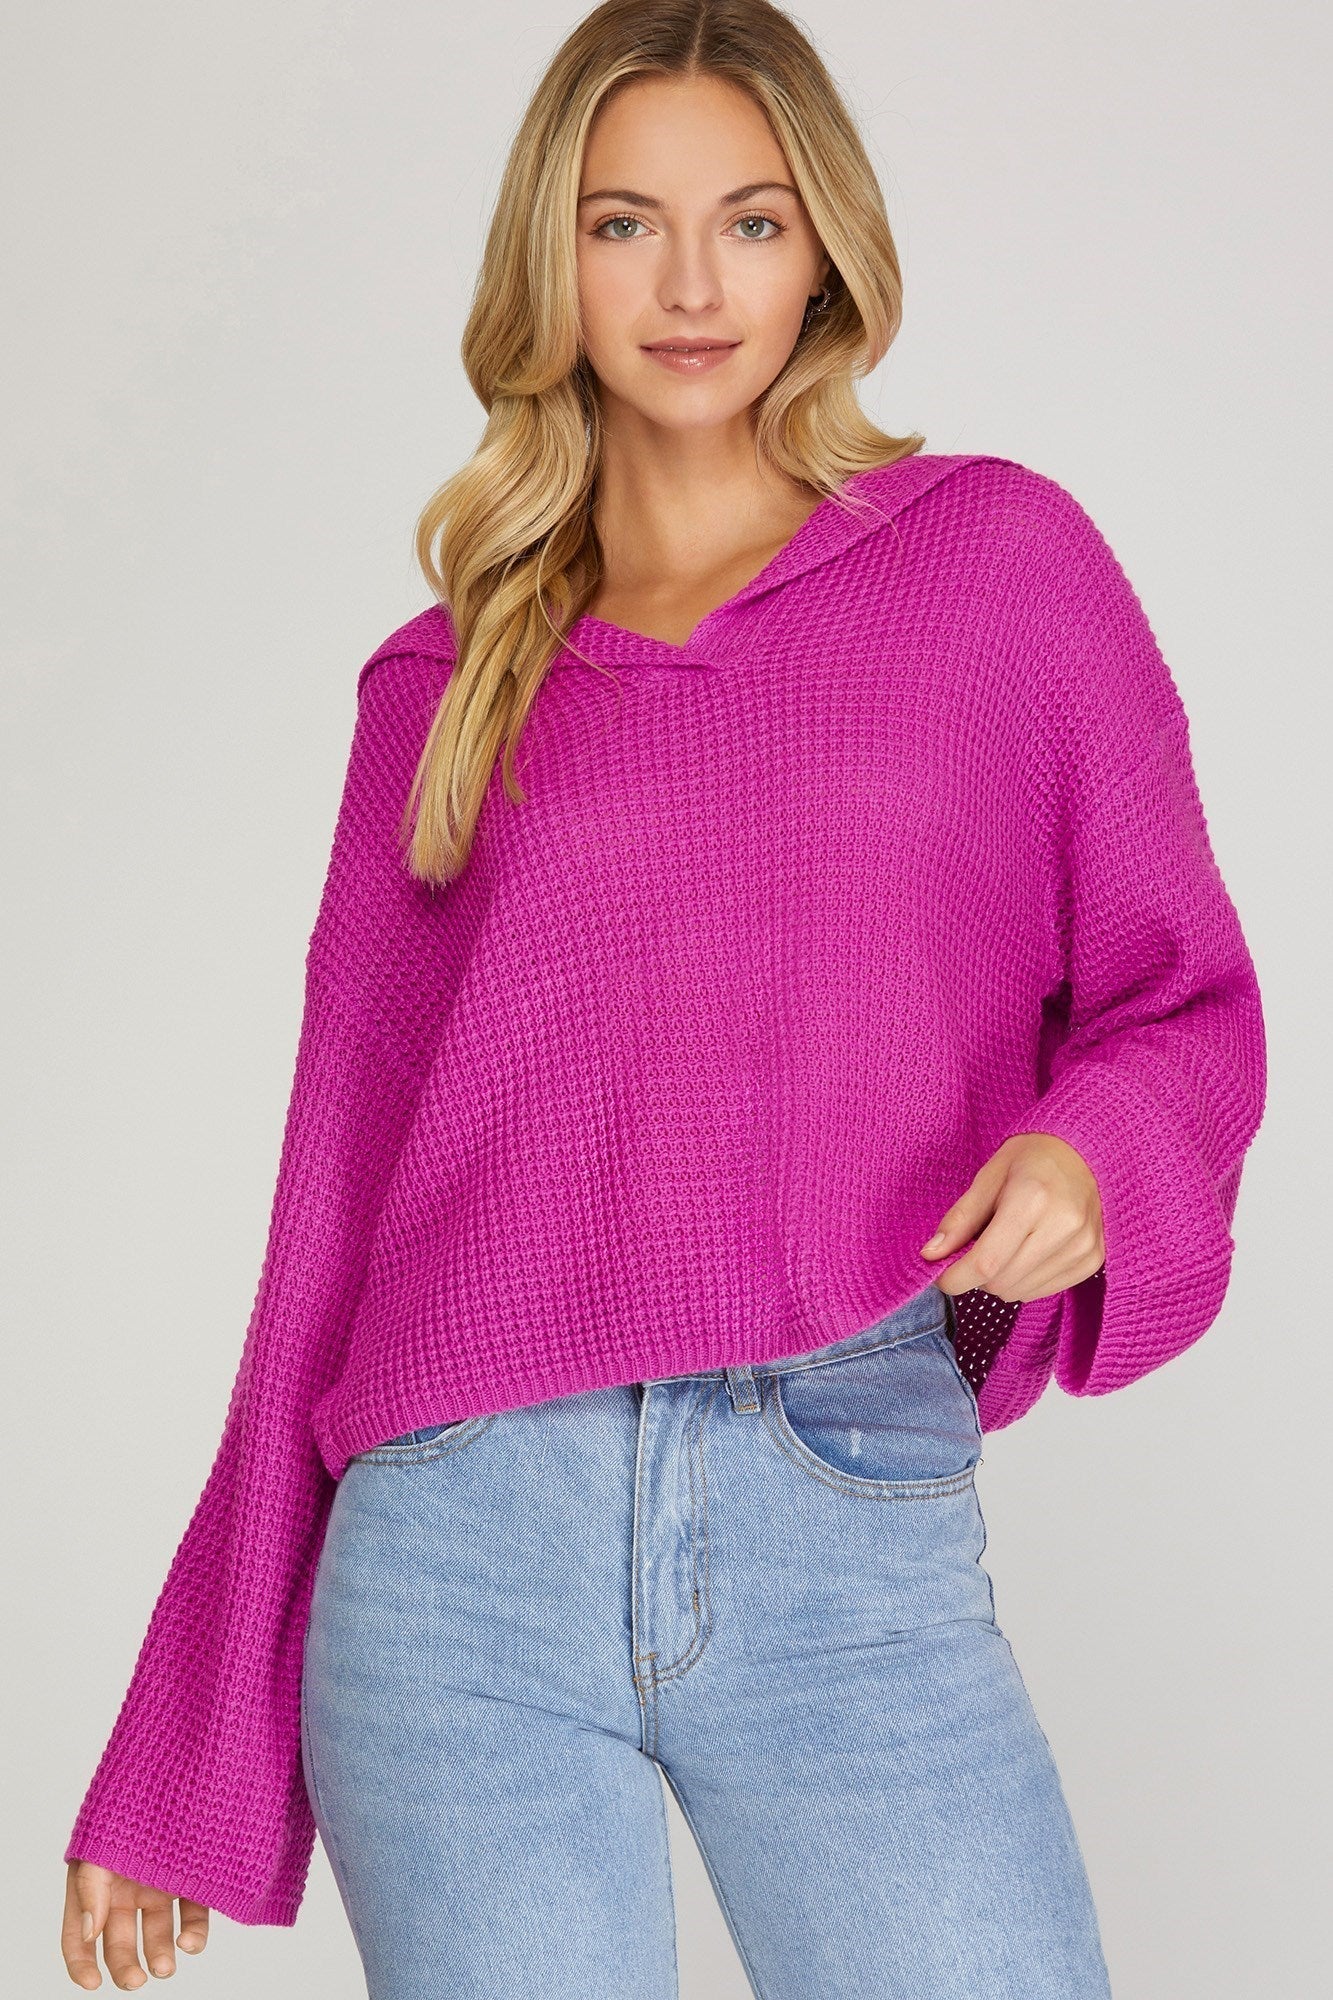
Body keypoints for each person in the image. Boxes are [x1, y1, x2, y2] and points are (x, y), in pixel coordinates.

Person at [60, 1, 1267, 1994]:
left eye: (749, 221)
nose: (692, 286)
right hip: (460, 1564)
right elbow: (329, 1236)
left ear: (824, 249)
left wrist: (1092, 1154)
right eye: (624, 224)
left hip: (844, 1510)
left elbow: (1183, 1004)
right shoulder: (441, 696)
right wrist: (181, 1756)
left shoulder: (997, 571)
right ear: (551, 260)